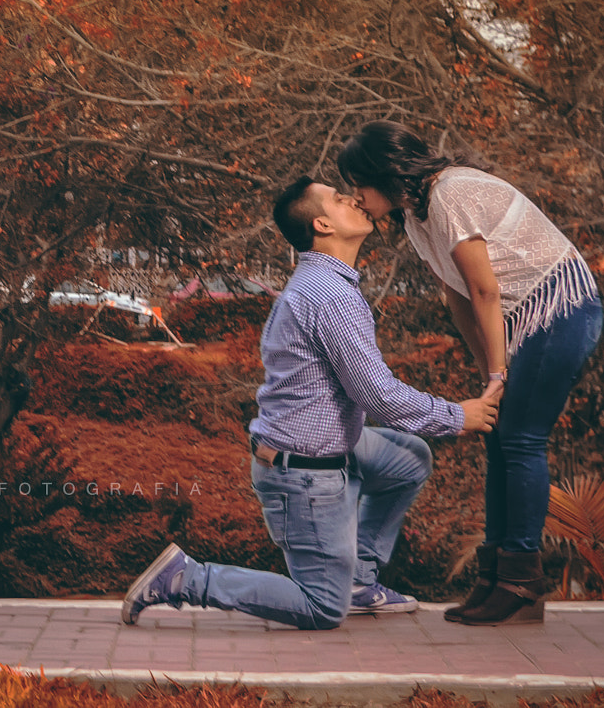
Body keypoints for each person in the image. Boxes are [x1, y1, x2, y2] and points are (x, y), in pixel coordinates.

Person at [122, 178, 498, 630]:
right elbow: (377, 395)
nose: (356, 198)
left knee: (408, 459)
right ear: (322, 224)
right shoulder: (329, 295)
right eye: (341, 199)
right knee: (322, 608)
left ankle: (358, 580)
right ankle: (187, 578)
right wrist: (459, 416)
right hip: (303, 472)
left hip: (325, 446)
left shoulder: (327, 283)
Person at [338, 120, 602, 626]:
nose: (358, 197)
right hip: (522, 317)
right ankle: (496, 576)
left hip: (561, 306)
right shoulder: (418, 218)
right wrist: (489, 373)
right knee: (498, 434)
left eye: (360, 184)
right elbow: (457, 297)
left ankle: (522, 583)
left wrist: (499, 369)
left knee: (521, 439)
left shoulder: (449, 195)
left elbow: (485, 289)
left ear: (386, 174)